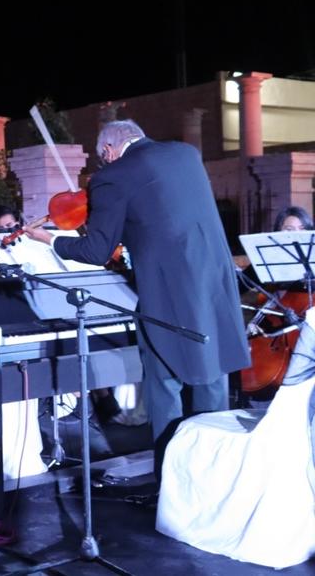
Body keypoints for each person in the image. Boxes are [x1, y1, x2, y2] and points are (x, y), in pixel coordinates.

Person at [24, 120, 250, 457]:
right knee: (211, 376)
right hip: (214, 284)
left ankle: (171, 472)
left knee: (164, 385)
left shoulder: (113, 176)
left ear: (109, 150)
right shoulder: (186, 154)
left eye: (103, 158)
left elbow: (96, 251)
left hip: (168, 294)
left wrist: (51, 240)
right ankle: (215, 467)